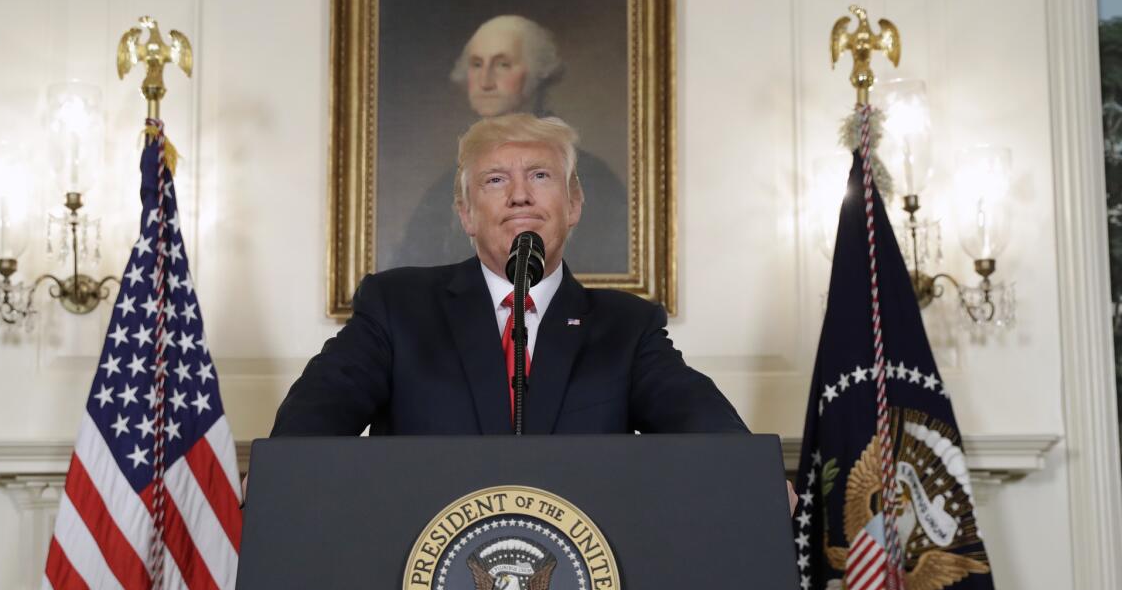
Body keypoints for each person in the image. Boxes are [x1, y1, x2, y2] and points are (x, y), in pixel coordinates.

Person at [268, 113, 796, 510]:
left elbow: (696, 416)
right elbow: (326, 400)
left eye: (540, 176)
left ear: (574, 204)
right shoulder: (397, 307)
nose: (520, 195)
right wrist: (280, 471)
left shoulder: (624, 328)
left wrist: (752, 475)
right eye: (495, 180)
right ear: (466, 213)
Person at [393, 15, 628, 273]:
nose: (485, 81)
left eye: (503, 64)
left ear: (540, 72)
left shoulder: (591, 177)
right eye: (476, 64)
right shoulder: (445, 188)